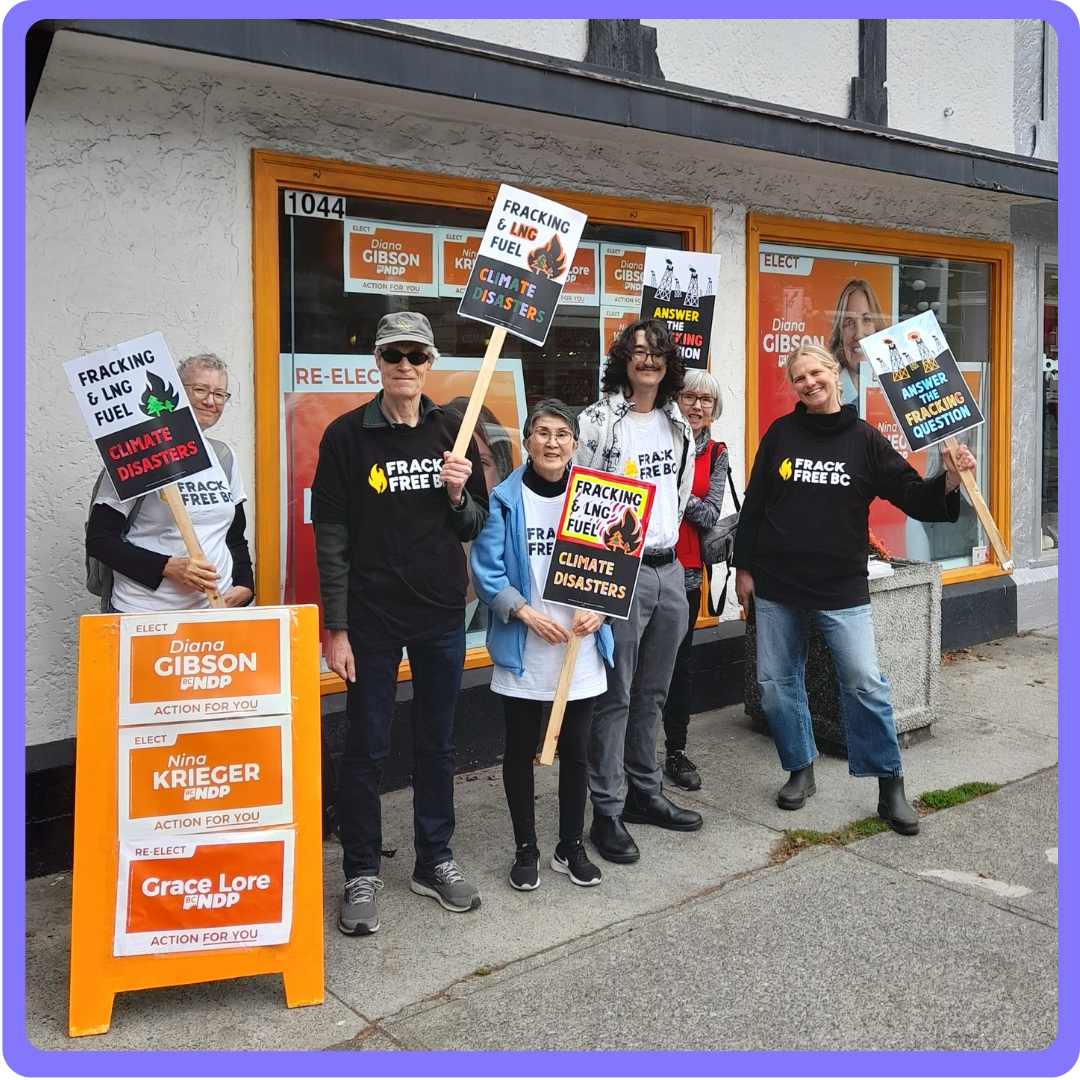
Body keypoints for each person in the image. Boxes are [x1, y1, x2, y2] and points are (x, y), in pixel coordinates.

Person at [733, 342, 977, 834]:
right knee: (776, 685)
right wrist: (743, 569)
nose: (809, 383)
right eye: (798, 378)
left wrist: (949, 479)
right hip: (778, 582)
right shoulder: (781, 433)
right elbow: (755, 504)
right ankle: (800, 768)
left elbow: (911, 494)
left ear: (834, 375)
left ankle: (890, 785)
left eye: (815, 373)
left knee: (865, 683)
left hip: (840, 585)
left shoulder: (864, 439)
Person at [310, 311, 489, 936]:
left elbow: (475, 527)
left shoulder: (454, 431)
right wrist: (336, 627)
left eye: (416, 354)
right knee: (367, 746)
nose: (405, 365)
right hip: (372, 619)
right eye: (394, 355)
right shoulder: (345, 438)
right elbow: (329, 540)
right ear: (378, 364)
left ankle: (433, 859)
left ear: (430, 362)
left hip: (441, 613)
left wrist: (458, 493)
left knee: (437, 743)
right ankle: (361, 870)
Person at [575, 318, 703, 864]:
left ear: (668, 362)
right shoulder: (598, 422)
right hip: (617, 569)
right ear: (623, 360)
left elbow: (677, 495)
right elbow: (577, 499)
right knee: (615, 695)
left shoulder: (680, 425)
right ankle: (605, 810)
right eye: (637, 352)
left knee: (654, 691)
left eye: (656, 353)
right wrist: (588, 582)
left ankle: (644, 795)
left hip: (669, 569)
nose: (647, 360)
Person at [471, 399, 613, 890]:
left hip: (580, 649)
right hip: (525, 649)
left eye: (562, 434)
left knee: (576, 751)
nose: (552, 443)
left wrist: (603, 606)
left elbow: (618, 560)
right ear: (528, 441)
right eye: (542, 432)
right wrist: (523, 612)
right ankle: (525, 847)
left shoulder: (600, 499)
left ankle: (569, 845)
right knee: (518, 751)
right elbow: (486, 571)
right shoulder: (505, 499)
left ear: (574, 443)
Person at [85, 353, 254, 611]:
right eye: (200, 390)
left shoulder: (222, 456)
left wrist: (244, 584)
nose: (211, 401)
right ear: (175, 392)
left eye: (220, 394)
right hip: (144, 614)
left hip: (212, 613)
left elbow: (233, 537)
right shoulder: (136, 454)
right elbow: (100, 540)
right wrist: (167, 567)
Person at [661, 368, 728, 791]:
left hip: (686, 574)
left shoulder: (716, 453)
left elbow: (709, 515)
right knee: (638, 669)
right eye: (689, 397)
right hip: (644, 569)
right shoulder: (656, 440)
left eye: (706, 401)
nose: (697, 406)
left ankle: (676, 751)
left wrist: (672, 485)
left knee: (679, 666)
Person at [828, 279, 889, 404]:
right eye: (849, 323)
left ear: (877, 329)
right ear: (840, 335)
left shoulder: (896, 391)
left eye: (866, 320)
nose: (859, 334)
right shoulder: (827, 396)